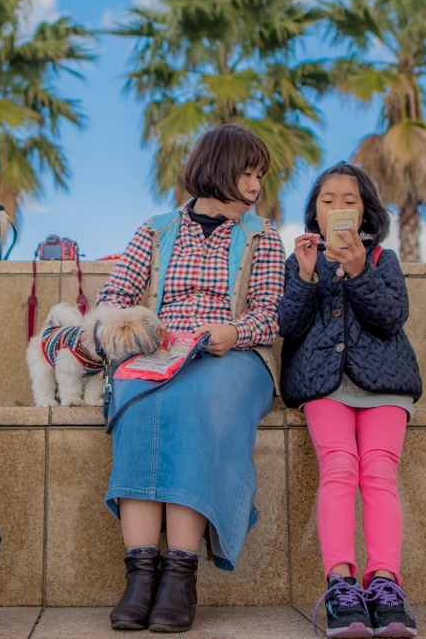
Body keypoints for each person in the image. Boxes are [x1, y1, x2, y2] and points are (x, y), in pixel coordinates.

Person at [97, 123, 286, 633]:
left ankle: (180, 575)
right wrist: (143, 329)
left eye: (259, 176)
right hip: (159, 354)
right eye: (247, 174)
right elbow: (113, 298)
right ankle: (141, 577)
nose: (255, 186)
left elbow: (271, 314)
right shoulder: (156, 231)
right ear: (217, 169)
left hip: (233, 357)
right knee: (139, 407)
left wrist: (233, 331)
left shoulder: (263, 236)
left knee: (195, 404)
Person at [278, 162, 422, 638]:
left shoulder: (382, 259)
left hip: (385, 383)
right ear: (315, 215)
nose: (338, 207)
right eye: (328, 200)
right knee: (338, 466)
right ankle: (340, 584)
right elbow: (289, 326)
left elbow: (391, 318)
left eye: (349, 200)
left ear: (364, 214)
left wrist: (360, 270)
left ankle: (385, 584)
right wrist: (304, 277)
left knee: (378, 470)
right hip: (323, 383)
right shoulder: (299, 262)